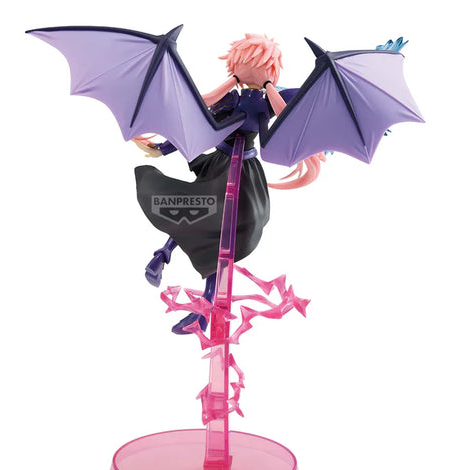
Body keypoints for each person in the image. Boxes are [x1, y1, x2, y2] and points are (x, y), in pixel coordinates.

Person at [132, 33, 325, 334]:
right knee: (197, 210)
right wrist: (162, 148)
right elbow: (196, 118)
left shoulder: (269, 104)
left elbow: (284, 125)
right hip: (221, 166)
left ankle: (202, 306)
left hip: (245, 174)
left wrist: (269, 87)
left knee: (224, 233)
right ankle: (164, 255)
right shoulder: (230, 99)